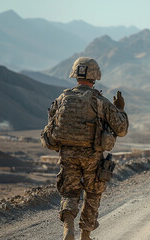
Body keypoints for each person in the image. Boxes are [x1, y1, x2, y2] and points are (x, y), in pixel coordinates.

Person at [41, 57, 129, 240]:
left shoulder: (62, 98)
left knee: (69, 191)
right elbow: (121, 130)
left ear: (76, 74)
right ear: (95, 76)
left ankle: (68, 228)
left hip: (68, 154)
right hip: (92, 155)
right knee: (93, 192)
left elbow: (50, 127)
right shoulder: (100, 101)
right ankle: (86, 235)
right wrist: (120, 109)